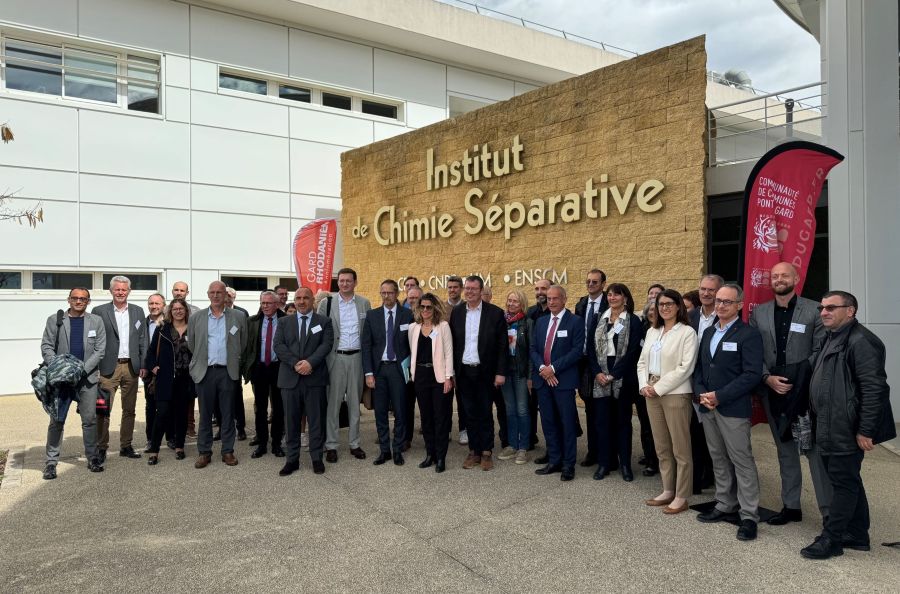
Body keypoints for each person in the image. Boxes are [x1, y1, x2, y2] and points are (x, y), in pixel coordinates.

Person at [801, 291, 895, 559]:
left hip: (846, 427)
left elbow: (874, 388)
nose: (823, 312)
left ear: (850, 311)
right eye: (822, 307)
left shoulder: (862, 341)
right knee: (847, 479)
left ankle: (832, 540)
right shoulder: (831, 337)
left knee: (842, 483)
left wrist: (866, 429)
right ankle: (857, 533)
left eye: (831, 307)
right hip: (830, 424)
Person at [748, 262, 831, 526]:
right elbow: (753, 352)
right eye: (775, 276)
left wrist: (799, 378)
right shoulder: (759, 313)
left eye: (784, 275)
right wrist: (766, 378)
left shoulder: (814, 310)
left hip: (804, 393)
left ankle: (828, 512)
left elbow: (821, 349)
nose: (779, 279)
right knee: (785, 450)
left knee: (814, 452)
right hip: (773, 390)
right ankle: (791, 506)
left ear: (796, 278)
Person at [694, 283, 763, 542]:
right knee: (718, 457)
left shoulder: (748, 335)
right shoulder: (710, 331)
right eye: (719, 301)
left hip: (732, 408)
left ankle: (748, 515)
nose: (721, 305)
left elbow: (752, 374)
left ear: (740, 305)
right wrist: (702, 394)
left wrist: (719, 396)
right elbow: (701, 368)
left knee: (741, 460)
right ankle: (724, 503)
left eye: (727, 302)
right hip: (708, 405)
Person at [638, 289, 698, 514]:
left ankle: (682, 496)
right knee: (662, 446)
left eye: (669, 303)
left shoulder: (687, 333)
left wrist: (659, 388)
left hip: (675, 393)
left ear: (678, 307)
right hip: (651, 392)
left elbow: (685, 367)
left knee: (680, 448)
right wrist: (645, 385)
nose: (664, 307)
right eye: (661, 304)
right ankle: (667, 490)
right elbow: (642, 362)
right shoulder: (654, 331)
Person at [40, 287, 106, 479]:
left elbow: (100, 350)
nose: (79, 301)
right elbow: (46, 346)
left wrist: (80, 370)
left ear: (88, 302)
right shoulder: (55, 320)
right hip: (61, 381)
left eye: (83, 299)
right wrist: (60, 368)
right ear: (68, 300)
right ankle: (51, 462)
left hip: (87, 379)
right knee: (57, 421)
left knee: (89, 420)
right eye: (75, 298)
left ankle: (93, 458)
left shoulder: (96, 321)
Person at [273, 287, 335, 477]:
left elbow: (326, 345)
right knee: (291, 422)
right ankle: (292, 460)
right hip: (290, 379)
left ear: (312, 301)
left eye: (305, 298)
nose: (301, 302)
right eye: (298, 298)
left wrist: (310, 363)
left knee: (316, 421)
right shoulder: (284, 322)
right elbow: (278, 346)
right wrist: (296, 364)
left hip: (314, 378)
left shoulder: (324, 322)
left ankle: (317, 458)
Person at [449, 275, 507, 471]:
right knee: (468, 412)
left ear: (481, 291)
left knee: (484, 411)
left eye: (474, 288)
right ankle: (474, 450)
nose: (470, 292)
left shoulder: (495, 313)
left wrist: (500, 373)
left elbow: (502, 346)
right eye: (468, 288)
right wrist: (452, 372)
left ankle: (486, 451)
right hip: (464, 370)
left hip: (486, 372)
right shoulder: (456, 313)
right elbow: (453, 345)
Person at [187, 281, 247, 469]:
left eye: (219, 292)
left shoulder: (238, 316)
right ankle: (204, 452)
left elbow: (242, 343)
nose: (215, 295)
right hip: (205, 373)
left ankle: (227, 451)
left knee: (228, 414)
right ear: (207, 294)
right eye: (212, 292)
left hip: (227, 372)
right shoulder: (196, 318)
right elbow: (193, 345)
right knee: (205, 414)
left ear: (226, 295)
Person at [590, 283, 645, 481]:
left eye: (617, 295)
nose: (612, 298)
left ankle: (625, 465)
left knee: (623, 422)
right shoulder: (600, 319)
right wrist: (597, 372)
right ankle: (605, 463)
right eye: (610, 295)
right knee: (603, 422)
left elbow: (633, 352)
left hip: (623, 376)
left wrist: (614, 374)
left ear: (625, 298)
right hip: (600, 376)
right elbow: (590, 349)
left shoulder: (633, 321)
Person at [531, 285, 584, 481]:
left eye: (555, 298)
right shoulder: (541, 322)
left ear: (564, 299)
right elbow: (533, 348)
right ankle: (554, 460)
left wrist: (552, 369)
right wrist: (543, 370)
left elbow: (577, 351)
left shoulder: (575, 322)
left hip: (563, 381)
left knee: (567, 423)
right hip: (543, 381)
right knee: (548, 422)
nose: (551, 302)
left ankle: (568, 464)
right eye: (549, 298)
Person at [92, 275, 147, 463]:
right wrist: (95, 367)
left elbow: (143, 340)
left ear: (129, 291)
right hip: (108, 368)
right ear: (111, 291)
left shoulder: (138, 311)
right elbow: (93, 341)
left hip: (131, 367)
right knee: (103, 410)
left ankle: (126, 445)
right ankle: (101, 447)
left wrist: (143, 364)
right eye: (117, 289)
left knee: (129, 410)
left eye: (124, 289)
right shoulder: (99, 311)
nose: (121, 292)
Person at [318, 268, 371, 462]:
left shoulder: (365, 303)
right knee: (333, 403)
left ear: (355, 282)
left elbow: (367, 333)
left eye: (348, 281)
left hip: (356, 358)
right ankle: (331, 444)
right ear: (338, 283)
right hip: (335, 358)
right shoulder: (327, 302)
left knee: (354, 405)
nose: (345, 284)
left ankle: (354, 443)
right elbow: (321, 332)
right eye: (341, 281)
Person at [362, 279, 414, 466]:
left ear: (397, 293)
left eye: (390, 293)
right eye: (383, 293)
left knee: (401, 411)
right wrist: (368, 373)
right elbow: (366, 346)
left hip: (399, 370)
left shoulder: (408, 315)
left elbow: (412, 344)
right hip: (379, 370)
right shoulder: (372, 315)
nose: (386, 296)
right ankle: (384, 450)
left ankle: (398, 449)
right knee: (380, 412)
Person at [408, 293, 454, 472]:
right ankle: (430, 454)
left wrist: (449, 377)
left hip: (440, 378)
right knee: (426, 418)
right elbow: (413, 352)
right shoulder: (414, 328)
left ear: (435, 308)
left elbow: (449, 353)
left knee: (440, 418)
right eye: (422, 307)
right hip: (420, 377)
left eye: (429, 307)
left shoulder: (443, 326)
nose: (425, 310)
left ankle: (441, 457)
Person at [144, 298, 194, 464]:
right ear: (170, 311)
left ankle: (179, 446)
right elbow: (151, 352)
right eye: (175, 309)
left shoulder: (193, 329)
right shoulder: (162, 329)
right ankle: (154, 450)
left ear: (186, 310)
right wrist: (153, 367)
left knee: (181, 415)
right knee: (162, 414)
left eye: (181, 308)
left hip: (185, 379)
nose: (178, 311)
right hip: (165, 378)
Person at [689, 274, 723, 494]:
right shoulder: (689, 315)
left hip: (716, 384)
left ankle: (715, 477)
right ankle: (699, 476)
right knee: (695, 432)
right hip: (691, 381)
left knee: (716, 436)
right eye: (703, 289)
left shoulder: (724, 317)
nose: (706, 293)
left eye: (711, 290)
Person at [243, 291, 287, 459]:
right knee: (259, 408)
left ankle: (276, 443)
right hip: (259, 368)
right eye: (263, 303)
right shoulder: (253, 321)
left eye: (269, 303)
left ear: (277, 304)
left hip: (279, 368)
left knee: (278, 408)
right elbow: (248, 346)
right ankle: (262, 443)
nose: (265, 306)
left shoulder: (286, 320)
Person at [574, 269, 608, 468]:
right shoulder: (581, 304)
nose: (591, 284)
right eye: (588, 281)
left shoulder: (608, 303)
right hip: (584, 363)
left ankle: (607, 454)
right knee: (589, 409)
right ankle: (593, 451)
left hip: (603, 365)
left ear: (603, 284)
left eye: (595, 282)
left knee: (604, 411)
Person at [498, 289, 532, 464]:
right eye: (509, 300)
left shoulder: (527, 323)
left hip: (520, 373)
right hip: (505, 372)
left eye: (515, 301)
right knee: (510, 410)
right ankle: (512, 444)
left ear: (522, 304)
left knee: (522, 410)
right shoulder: (502, 322)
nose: (511, 304)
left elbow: (532, 351)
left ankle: (523, 447)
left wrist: (530, 376)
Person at [526, 278, 552, 456]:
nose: (540, 292)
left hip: (553, 371)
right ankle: (530, 438)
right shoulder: (530, 312)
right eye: (537, 288)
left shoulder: (556, 312)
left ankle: (554, 447)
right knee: (530, 405)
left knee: (551, 412)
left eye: (543, 288)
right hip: (535, 368)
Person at [143, 293, 168, 451]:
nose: (154, 306)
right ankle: (150, 439)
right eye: (151, 303)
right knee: (150, 407)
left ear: (163, 305)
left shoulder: (168, 323)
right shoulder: (143, 323)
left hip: (165, 371)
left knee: (167, 406)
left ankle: (171, 438)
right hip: (149, 371)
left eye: (157, 303)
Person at [445, 275, 467, 445]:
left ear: (461, 289)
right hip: (444, 359)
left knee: (462, 396)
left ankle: (463, 429)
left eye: (455, 287)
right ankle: (446, 430)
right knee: (444, 397)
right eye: (450, 287)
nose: (452, 290)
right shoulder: (440, 308)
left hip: (461, 359)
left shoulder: (467, 307)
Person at [401, 286, 424, 449]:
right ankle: (406, 438)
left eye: (416, 298)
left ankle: (430, 438)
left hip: (425, 369)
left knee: (426, 406)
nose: (413, 300)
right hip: (407, 369)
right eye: (411, 298)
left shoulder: (429, 316)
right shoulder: (403, 317)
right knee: (406, 406)